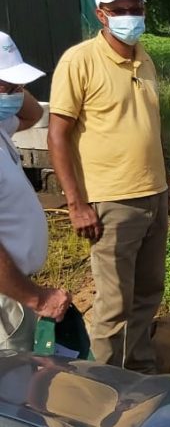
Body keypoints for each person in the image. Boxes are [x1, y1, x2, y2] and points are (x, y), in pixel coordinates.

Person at [47, 0, 170, 373]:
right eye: (119, 11)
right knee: (114, 304)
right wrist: (76, 203)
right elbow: (57, 135)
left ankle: (138, 374)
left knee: (147, 294)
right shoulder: (79, 60)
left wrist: (166, 184)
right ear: (100, 14)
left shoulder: (145, 58)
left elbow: (150, 127)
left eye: (135, 9)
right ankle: (102, 389)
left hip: (152, 196)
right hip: (112, 202)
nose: (129, 17)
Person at [0, 31, 71, 350]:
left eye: (19, 86)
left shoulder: (1, 127)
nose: (16, 95)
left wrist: (12, 87)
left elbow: (32, 114)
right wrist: (36, 298)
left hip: (14, 293)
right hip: (9, 301)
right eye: (8, 87)